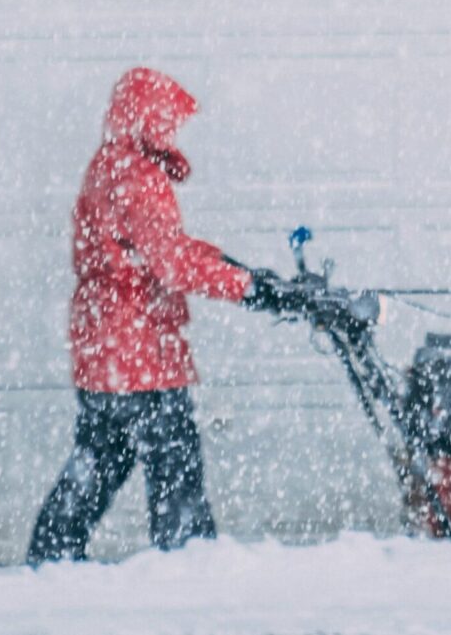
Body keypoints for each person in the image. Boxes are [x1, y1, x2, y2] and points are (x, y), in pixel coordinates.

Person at [27, 67, 274, 564]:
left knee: (100, 456)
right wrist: (248, 288)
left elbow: (156, 246)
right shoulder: (140, 177)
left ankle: (51, 553)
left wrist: (229, 265)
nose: (173, 131)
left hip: (104, 346)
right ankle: (188, 562)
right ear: (148, 117)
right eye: (167, 120)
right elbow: (172, 263)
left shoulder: (107, 166)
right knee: (174, 461)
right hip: (140, 350)